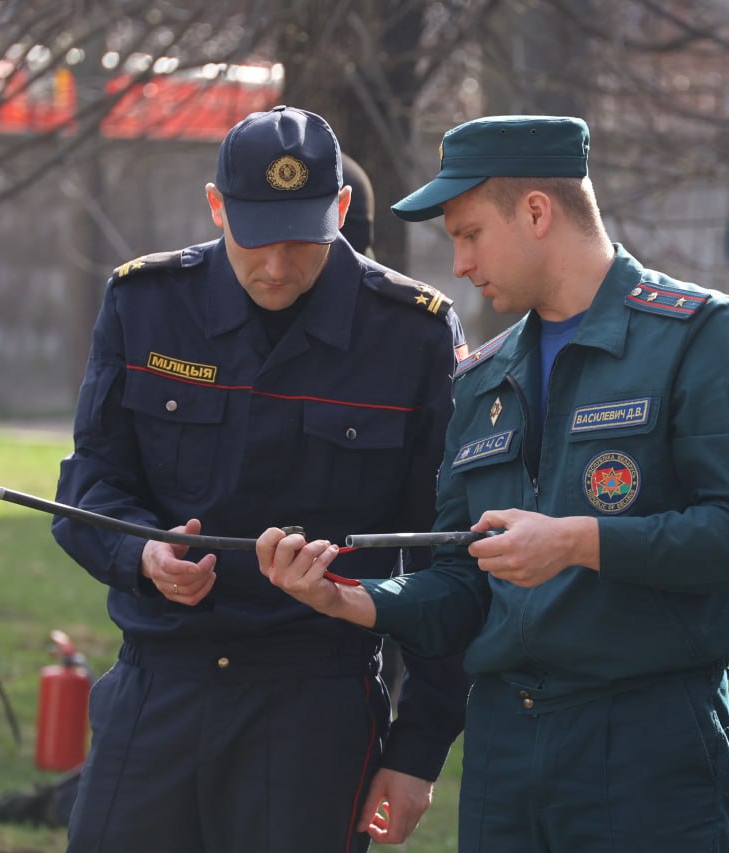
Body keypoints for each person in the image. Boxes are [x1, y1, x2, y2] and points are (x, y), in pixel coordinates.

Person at [256, 115, 729, 852]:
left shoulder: (699, 338)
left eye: (470, 233)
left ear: (537, 212)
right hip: (505, 747)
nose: (459, 262)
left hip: (645, 736)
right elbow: (459, 577)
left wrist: (579, 541)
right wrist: (350, 599)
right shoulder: (484, 377)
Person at [52, 104, 468, 852]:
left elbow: (445, 557)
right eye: (254, 239)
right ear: (216, 207)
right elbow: (90, 488)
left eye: (301, 242)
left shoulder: (412, 335)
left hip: (314, 701)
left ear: (342, 209)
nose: (276, 267)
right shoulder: (145, 305)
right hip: (160, 684)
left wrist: (415, 753)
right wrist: (141, 555)